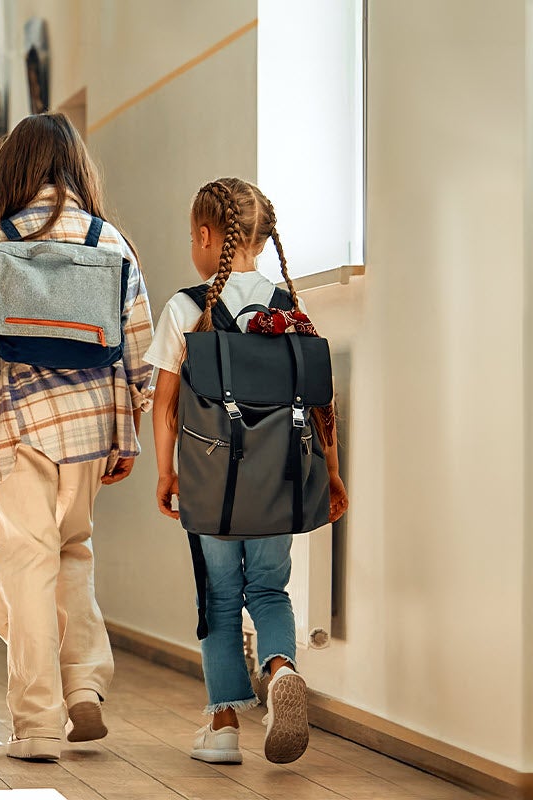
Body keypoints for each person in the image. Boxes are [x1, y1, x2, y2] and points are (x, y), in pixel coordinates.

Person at [0, 113, 153, 762]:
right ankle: (85, 683)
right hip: (92, 422)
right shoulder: (107, 239)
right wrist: (131, 430)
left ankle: (37, 722)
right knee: (73, 551)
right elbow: (138, 344)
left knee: (25, 565)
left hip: (17, 422)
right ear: (76, 167)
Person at [144, 177, 348, 766]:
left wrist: (166, 472)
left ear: (207, 237)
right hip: (281, 479)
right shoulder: (290, 310)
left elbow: (164, 405)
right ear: (263, 240)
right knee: (268, 588)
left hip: (213, 485)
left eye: (192, 235)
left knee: (220, 593)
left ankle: (225, 724)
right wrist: (330, 476)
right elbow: (319, 405)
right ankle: (281, 668)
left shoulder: (186, 308)